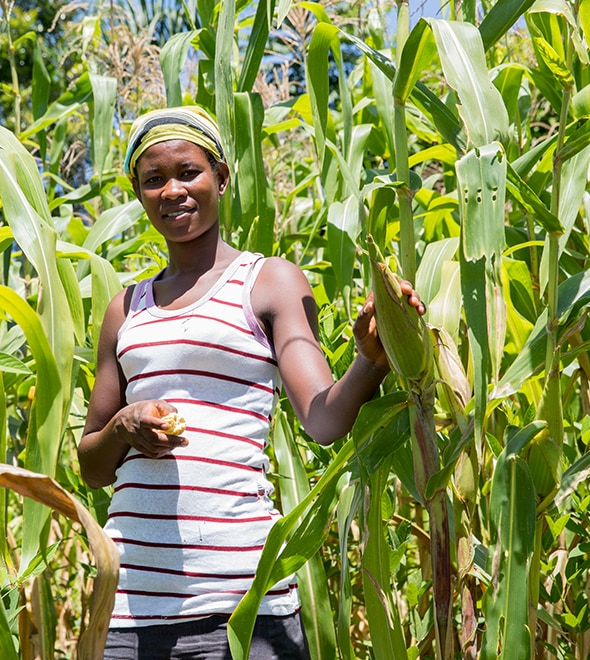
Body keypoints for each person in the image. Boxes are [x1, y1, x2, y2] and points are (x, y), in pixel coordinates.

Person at [78, 106, 424, 659]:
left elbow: (324, 419)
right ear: (139, 193)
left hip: (245, 600)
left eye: (188, 172)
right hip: (133, 606)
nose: (173, 191)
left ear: (220, 176)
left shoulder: (268, 282)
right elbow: (93, 468)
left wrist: (372, 359)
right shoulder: (126, 308)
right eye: (154, 179)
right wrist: (123, 426)